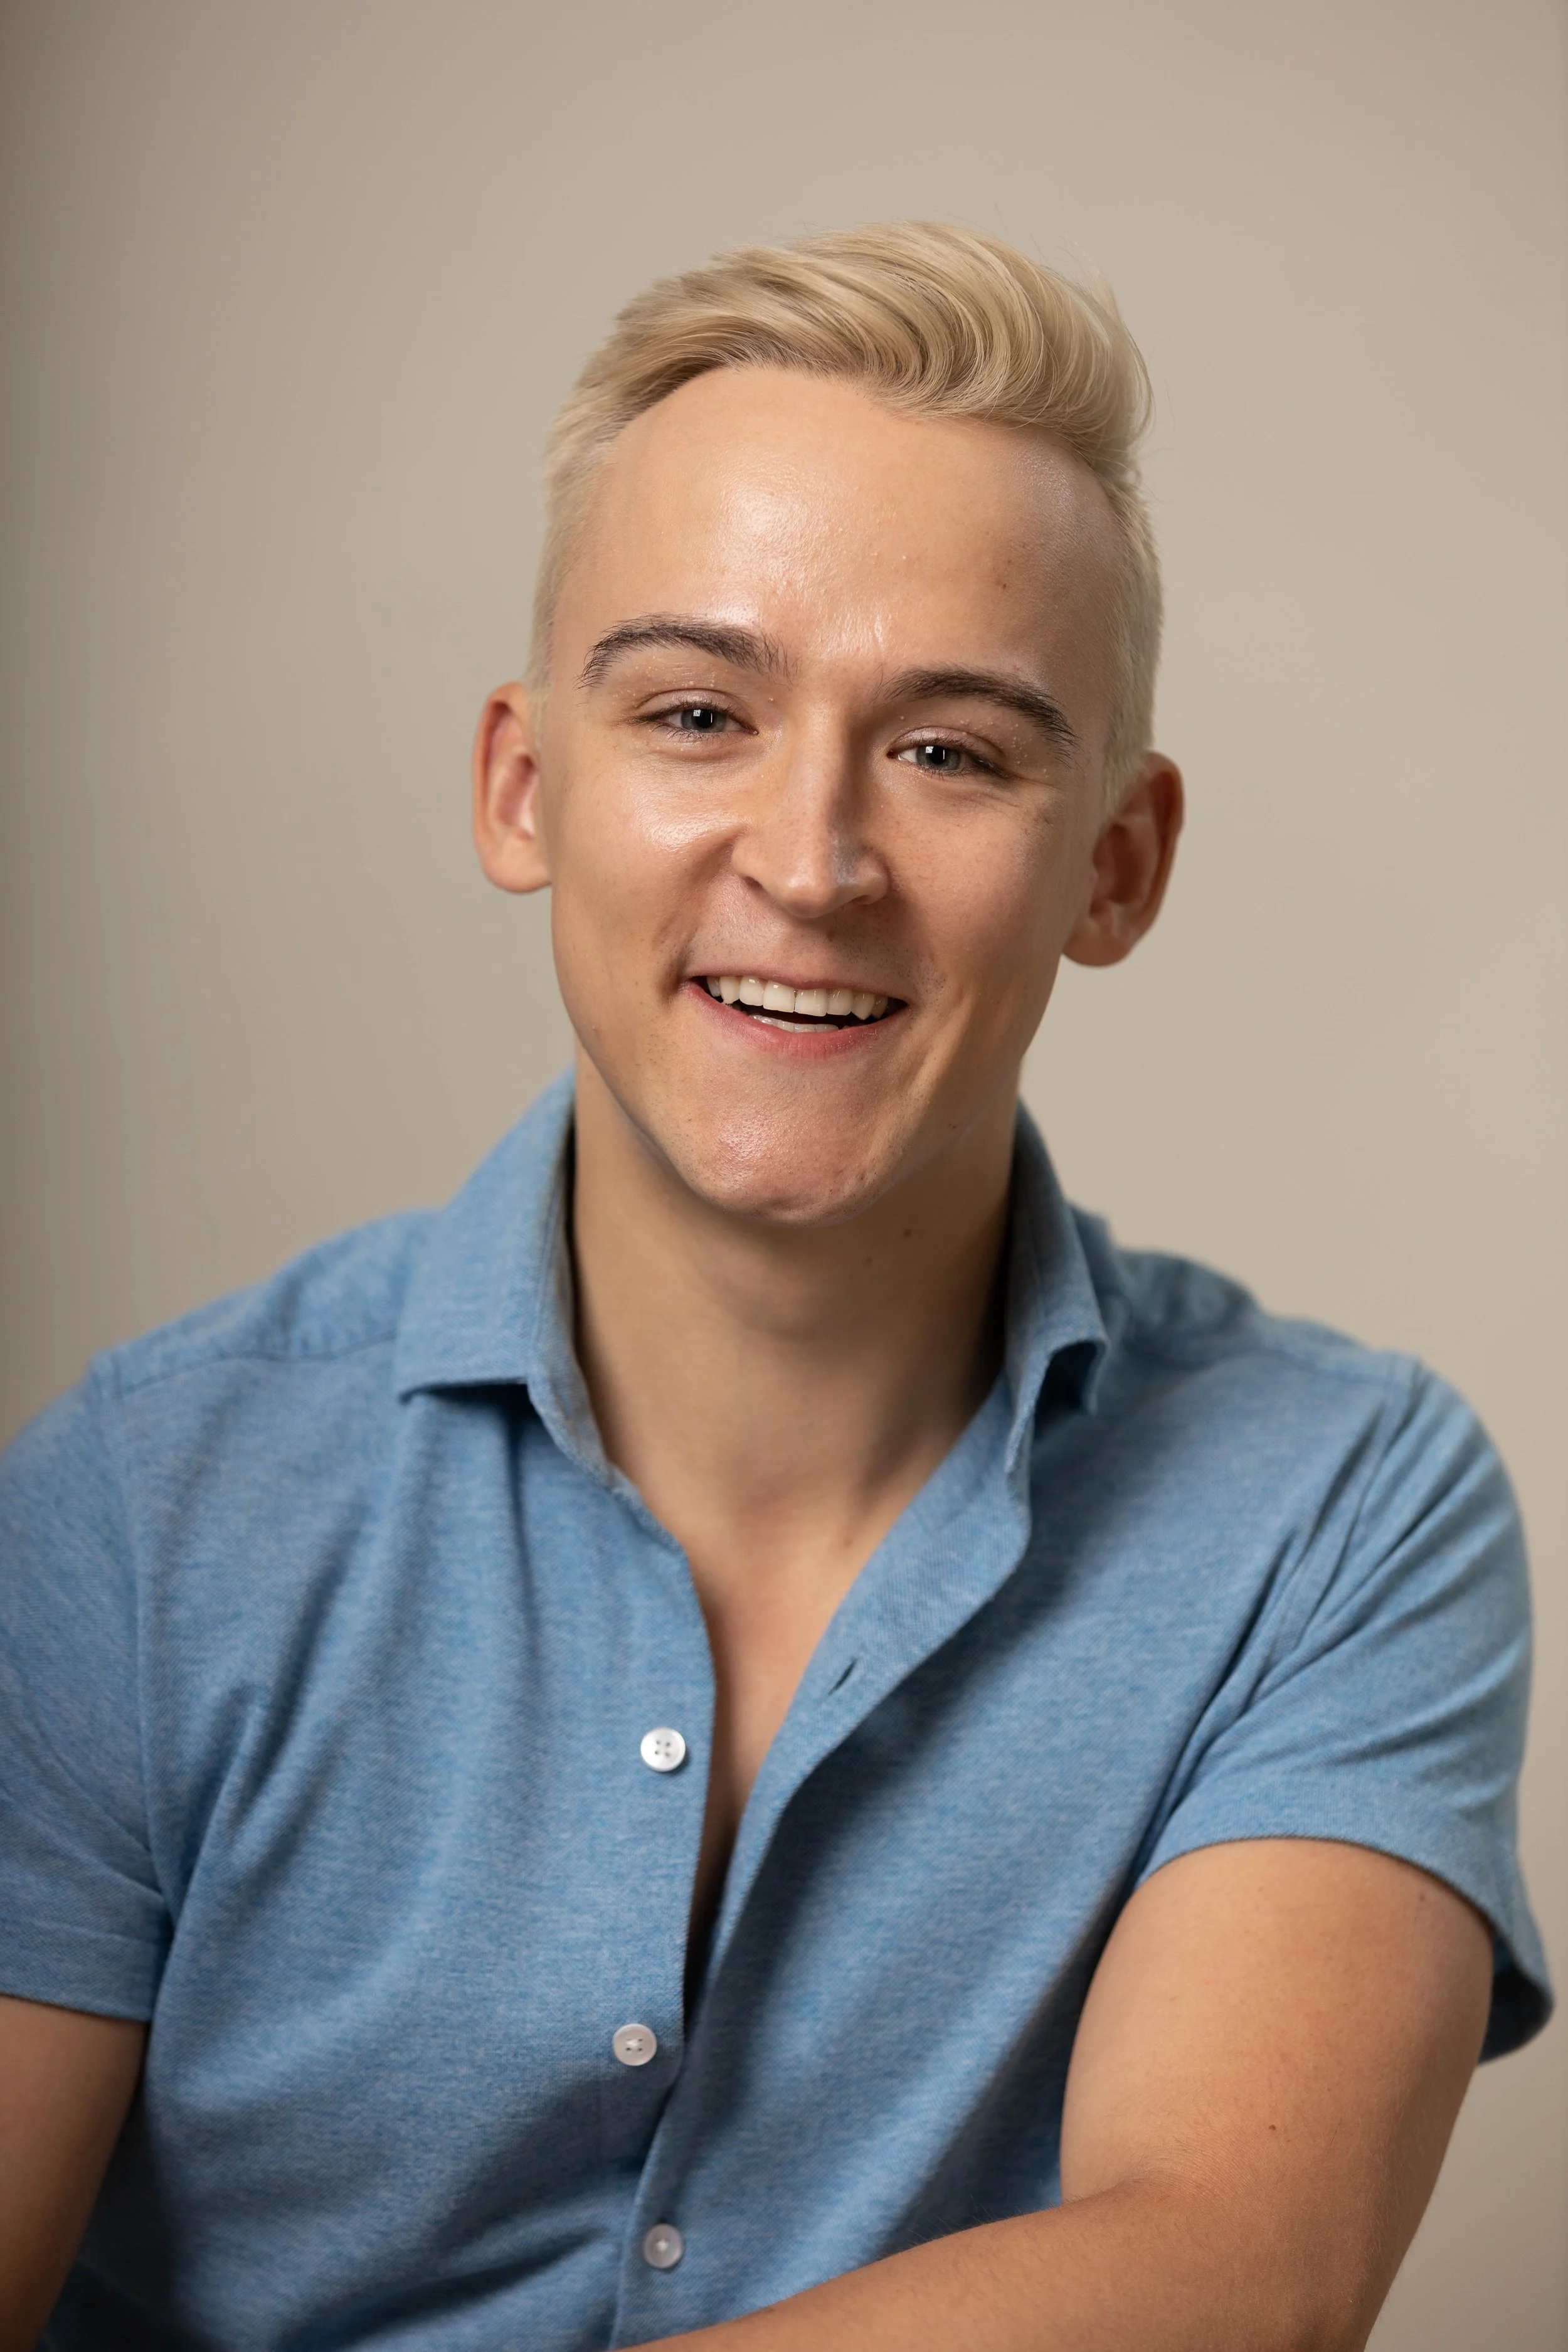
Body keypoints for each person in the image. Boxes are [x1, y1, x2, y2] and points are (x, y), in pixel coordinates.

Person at [0, 222, 1550, 2352]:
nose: (810, 858)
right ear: (525, 786)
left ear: (1117, 861)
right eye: (699, 712)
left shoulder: (1336, 1506)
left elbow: (1232, 2280)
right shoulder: (134, 1510)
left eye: (950, 751)